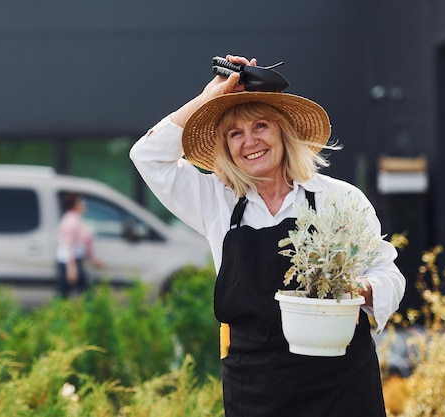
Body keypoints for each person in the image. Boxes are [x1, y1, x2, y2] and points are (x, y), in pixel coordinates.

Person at [129, 54, 405, 416]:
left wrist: (357, 290)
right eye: (235, 133)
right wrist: (210, 97)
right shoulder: (216, 201)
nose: (250, 141)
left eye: (260, 126)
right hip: (257, 389)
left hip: (340, 385)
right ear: (226, 147)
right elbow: (147, 155)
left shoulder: (339, 199)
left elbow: (389, 276)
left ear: (282, 131)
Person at [55, 192, 104, 298]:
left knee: (65, 292)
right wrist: (71, 268)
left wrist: (93, 259)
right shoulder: (71, 221)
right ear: (75, 205)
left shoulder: (76, 220)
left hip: (73, 260)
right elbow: (68, 246)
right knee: (82, 291)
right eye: (81, 202)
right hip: (68, 261)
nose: (83, 205)